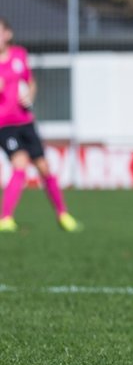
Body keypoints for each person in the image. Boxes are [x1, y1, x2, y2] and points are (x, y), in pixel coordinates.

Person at [0, 17, 81, 233]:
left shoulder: (19, 55)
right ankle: (5, 218)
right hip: (4, 125)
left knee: (44, 167)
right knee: (19, 163)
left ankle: (63, 214)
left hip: (25, 121)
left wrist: (30, 95)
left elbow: (31, 81)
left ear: (8, 34)